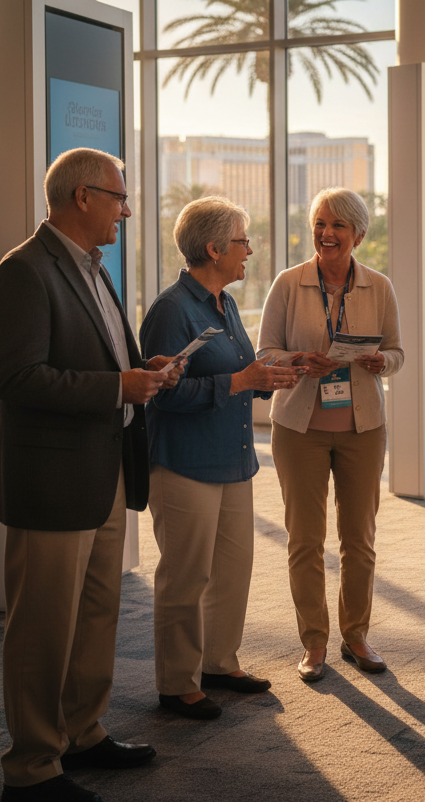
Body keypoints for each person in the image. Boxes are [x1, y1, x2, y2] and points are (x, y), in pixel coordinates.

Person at [0, 148, 183, 802]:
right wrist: (116, 385)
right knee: (42, 626)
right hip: (53, 482)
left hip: (104, 472)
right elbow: (18, 380)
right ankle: (32, 769)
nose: (126, 208)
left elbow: (99, 357)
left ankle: (84, 733)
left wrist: (141, 367)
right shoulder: (23, 272)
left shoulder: (95, 269)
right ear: (82, 197)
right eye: (119, 197)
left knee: (96, 614)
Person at [139, 197, 299, 719]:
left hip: (233, 459)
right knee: (186, 577)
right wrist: (241, 380)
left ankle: (218, 661)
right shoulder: (171, 310)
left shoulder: (225, 304)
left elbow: (241, 371)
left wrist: (275, 370)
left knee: (233, 570)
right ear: (213, 249)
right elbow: (161, 393)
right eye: (242, 241)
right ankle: (177, 682)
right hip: (185, 462)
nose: (249, 250)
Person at [257, 188, 403, 682]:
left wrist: (382, 361)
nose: (327, 234)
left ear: (358, 234)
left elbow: (398, 353)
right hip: (299, 428)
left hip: (363, 427)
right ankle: (314, 642)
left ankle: (356, 635)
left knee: (359, 537)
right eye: (320, 223)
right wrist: (299, 361)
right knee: (305, 539)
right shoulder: (288, 283)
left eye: (338, 226)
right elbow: (265, 353)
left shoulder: (379, 287)